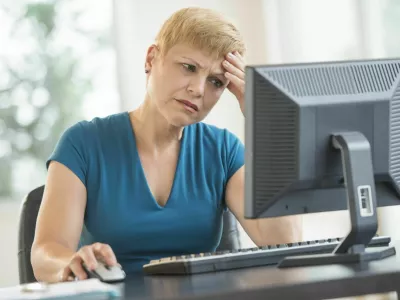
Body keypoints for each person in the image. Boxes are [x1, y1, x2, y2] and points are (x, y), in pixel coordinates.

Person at [31, 6, 302, 283]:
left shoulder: (224, 151)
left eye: (215, 81)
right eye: (189, 67)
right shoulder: (83, 143)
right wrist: (70, 261)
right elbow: (45, 253)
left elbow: (285, 242)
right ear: (151, 58)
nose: (198, 89)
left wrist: (264, 123)